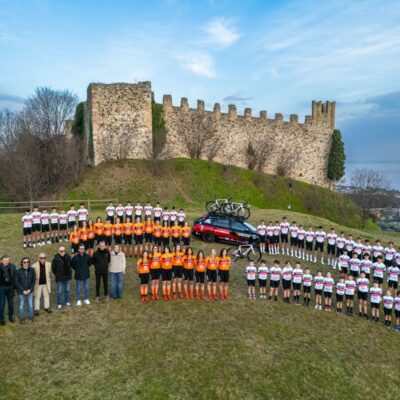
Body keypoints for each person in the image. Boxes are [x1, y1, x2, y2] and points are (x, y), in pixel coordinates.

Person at [15, 257, 35, 323]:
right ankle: (22, 317)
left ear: (29, 263)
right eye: (24, 262)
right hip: (21, 292)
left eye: (27, 262)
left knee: (30, 304)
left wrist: (30, 289)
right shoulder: (18, 271)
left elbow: (33, 280)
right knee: (22, 304)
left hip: (30, 291)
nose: (26, 263)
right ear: (22, 263)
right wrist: (23, 290)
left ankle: (30, 315)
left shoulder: (32, 270)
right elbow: (16, 282)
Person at [0, 256, 17, 325]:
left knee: (11, 303)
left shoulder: (13, 266)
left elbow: (15, 278)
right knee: (1, 304)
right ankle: (1, 319)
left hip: (10, 287)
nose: (6, 262)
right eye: (5, 261)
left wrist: (15, 288)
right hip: (1, 288)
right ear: (1, 261)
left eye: (8, 261)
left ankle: (11, 316)